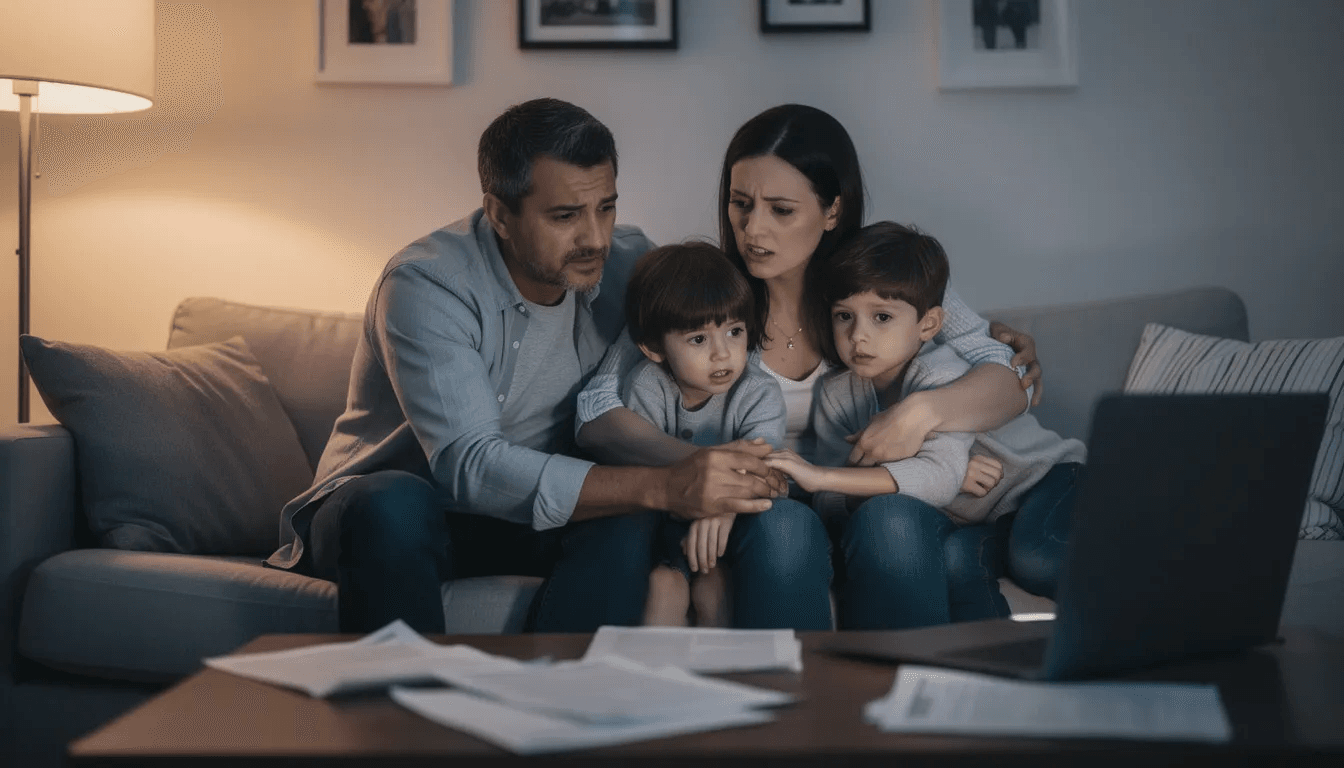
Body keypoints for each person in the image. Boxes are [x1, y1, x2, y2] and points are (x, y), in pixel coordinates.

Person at [265, 98, 815, 634]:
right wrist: (667, 484)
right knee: (392, 504)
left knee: (626, 516)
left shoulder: (629, 264)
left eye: (607, 207)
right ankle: (401, 718)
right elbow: (471, 466)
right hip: (408, 509)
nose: (595, 237)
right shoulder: (426, 286)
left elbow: (717, 331)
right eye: (565, 216)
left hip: (536, 518)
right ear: (500, 213)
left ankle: (567, 701)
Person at [575, 104, 1042, 628]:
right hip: (768, 507)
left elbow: (1007, 377)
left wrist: (922, 412)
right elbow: (596, 408)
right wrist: (705, 470)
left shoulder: (879, 280)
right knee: (784, 528)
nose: (753, 230)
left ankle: (905, 696)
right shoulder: (706, 296)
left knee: (892, 522)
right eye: (740, 204)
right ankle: (795, 698)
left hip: (868, 497)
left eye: (781, 210)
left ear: (832, 211)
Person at [765, 222, 1086, 627]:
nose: (858, 336)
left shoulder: (939, 370)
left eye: (881, 317)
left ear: (929, 325)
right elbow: (833, 503)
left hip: (1046, 480)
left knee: (1036, 554)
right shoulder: (837, 393)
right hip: (989, 516)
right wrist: (849, 479)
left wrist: (824, 476)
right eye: (843, 316)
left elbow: (934, 476)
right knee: (956, 563)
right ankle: (990, 667)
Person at [617, 242, 787, 627]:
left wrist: (722, 505)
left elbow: (768, 470)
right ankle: (653, 685)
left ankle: (725, 682)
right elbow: (637, 474)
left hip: (735, 523)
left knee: (715, 588)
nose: (722, 354)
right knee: (664, 587)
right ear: (655, 348)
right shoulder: (647, 386)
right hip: (664, 519)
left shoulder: (758, 391)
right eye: (698, 339)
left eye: (734, 332)